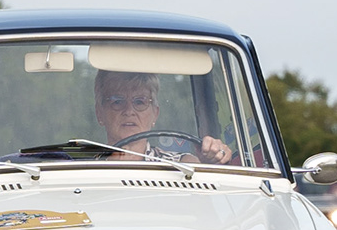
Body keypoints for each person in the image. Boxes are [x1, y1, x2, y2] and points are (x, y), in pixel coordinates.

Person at [94, 67, 234, 163]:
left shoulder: (180, 166)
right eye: (117, 101)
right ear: (100, 113)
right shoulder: (82, 162)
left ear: (155, 114)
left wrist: (214, 157)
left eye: (140, 102)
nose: (129, 111)